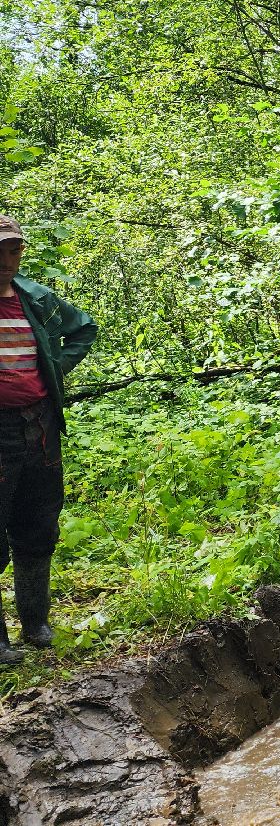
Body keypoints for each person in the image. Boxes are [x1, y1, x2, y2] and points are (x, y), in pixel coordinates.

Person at [0, 216, 96, 663]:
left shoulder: (35, 298)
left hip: (38, 427)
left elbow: (83, 328)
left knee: (39, 523)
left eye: (13, 249)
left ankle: (35, 623)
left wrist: (55, 367)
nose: (6, 259)